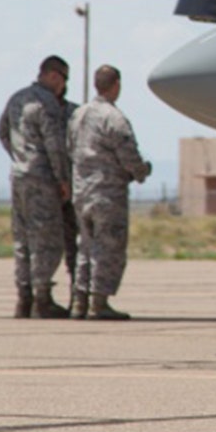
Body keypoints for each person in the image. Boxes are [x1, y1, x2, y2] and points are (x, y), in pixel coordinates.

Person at [67, 64, 153, 320]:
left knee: (86, 246)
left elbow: (69, 148)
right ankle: (98, 302)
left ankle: (79, 302)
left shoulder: (78, 115)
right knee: (108, 247)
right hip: (107, 193)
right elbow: (128, 154)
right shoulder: (113, 117)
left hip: (81, 191)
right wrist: (141, 171)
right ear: (116, 84)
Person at [0, 55, 72, 318]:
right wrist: (62, 179)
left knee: (23, 239)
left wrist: (20, 157)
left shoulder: (17, 98)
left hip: (18, 177)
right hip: (42, 180)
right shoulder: (47, 103)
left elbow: (2, 133)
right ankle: (43, 299)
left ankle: (23, 298)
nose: (64, 87)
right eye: (64, 80)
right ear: (53, 76)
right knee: (47, 240)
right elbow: (55, 145)